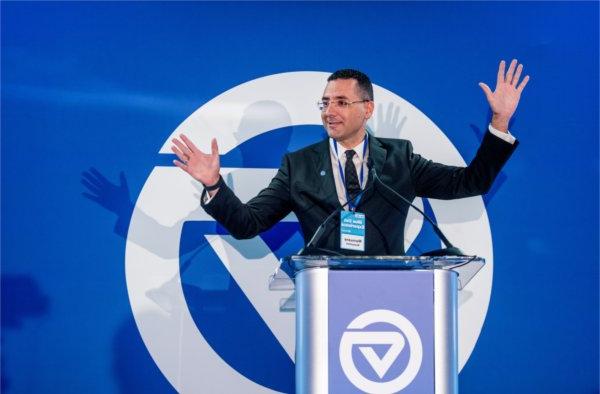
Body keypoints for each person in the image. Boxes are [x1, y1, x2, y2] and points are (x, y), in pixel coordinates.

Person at [171, 60, 529, 255]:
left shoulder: (397, 159)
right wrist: (214, 184)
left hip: (392, 303)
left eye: (342, 102)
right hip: (322, 297)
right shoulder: (300, 166)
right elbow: (247, 224)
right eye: (325, 103)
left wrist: (499, 122)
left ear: (367, 108)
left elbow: (471, 182)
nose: (330, 111)